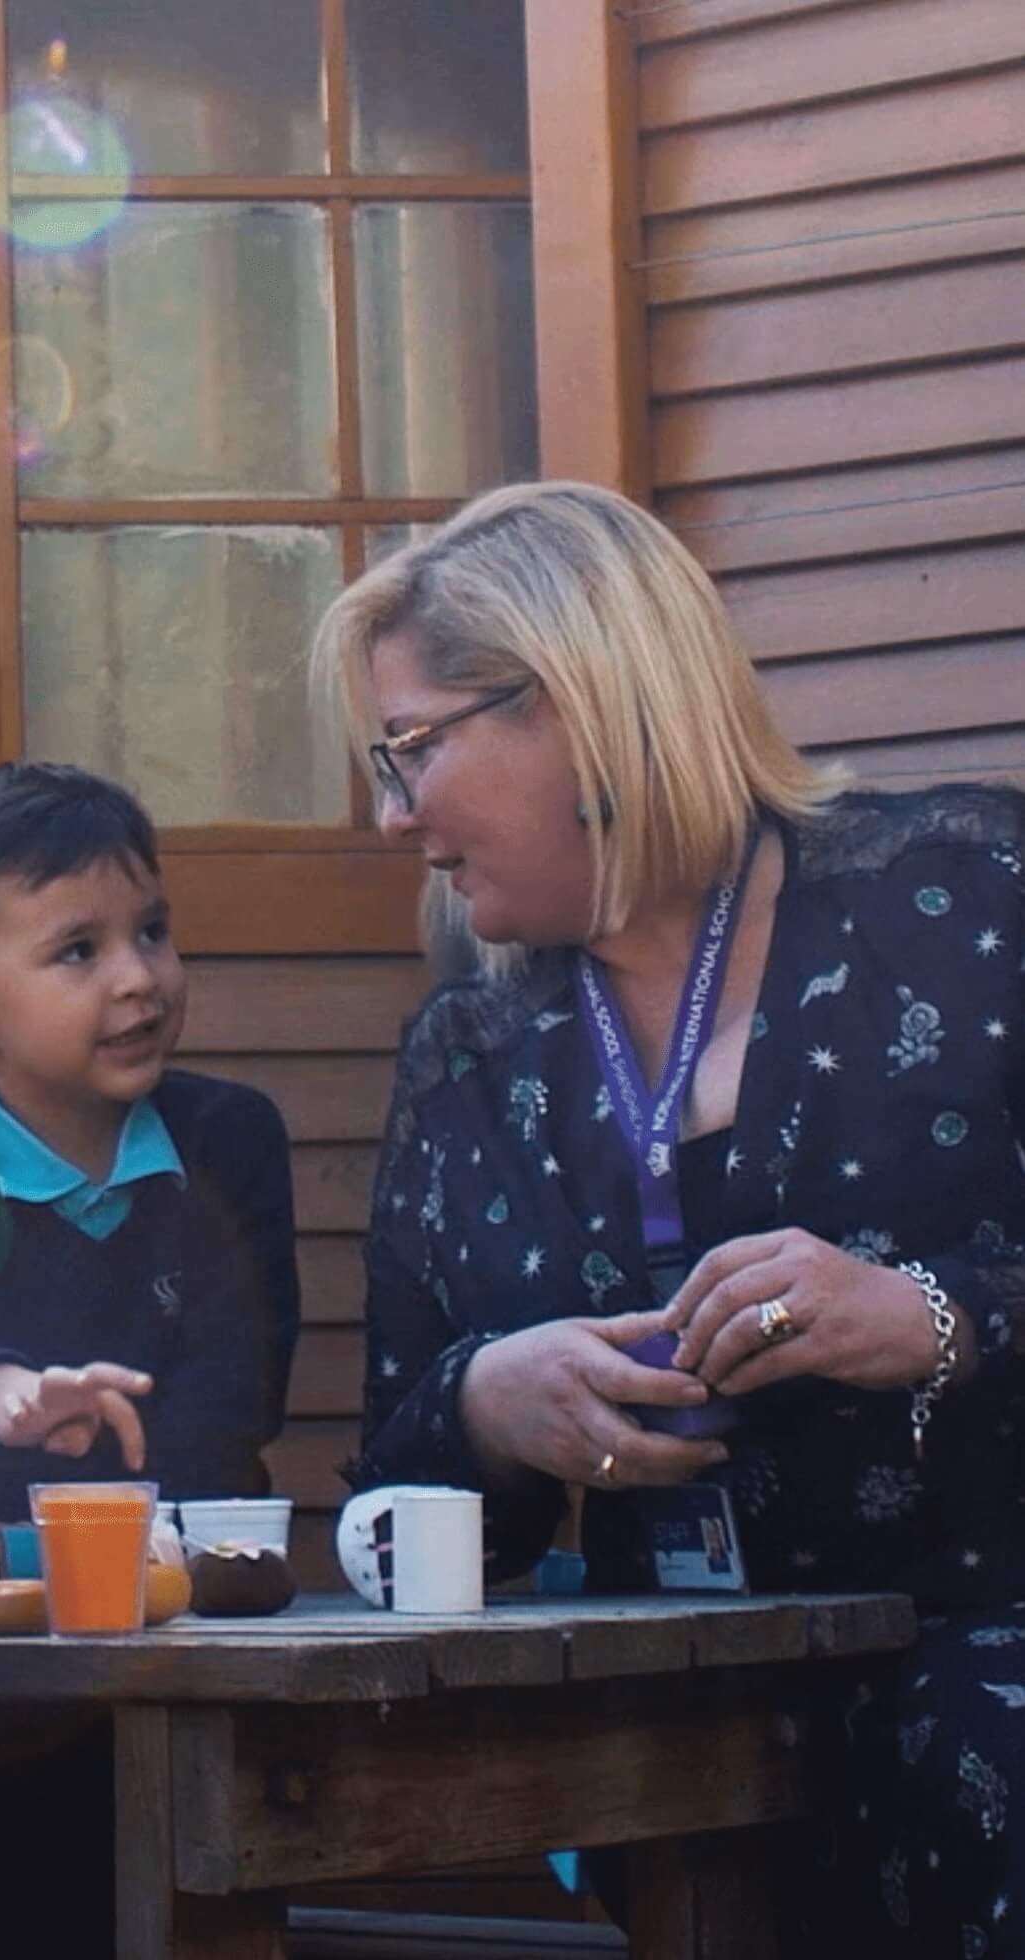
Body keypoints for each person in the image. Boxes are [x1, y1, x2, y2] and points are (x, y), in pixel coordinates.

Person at [313, 478, 1025, 1954]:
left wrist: (937, 1316)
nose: (389, 816)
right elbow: (386, 1493)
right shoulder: (468, 1051)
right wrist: (491, 1404)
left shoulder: (971, 898)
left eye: (409, 752)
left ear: (573, 702)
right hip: (678, 1746)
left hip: (990, 1705)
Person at [0, 761, 301, 1958]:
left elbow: (239, 1382)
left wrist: (123, 1546)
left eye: (150, 930)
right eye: (76, 951)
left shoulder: (223, 1141)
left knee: (178, 1887)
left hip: (169, 1590)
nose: (139, 977)